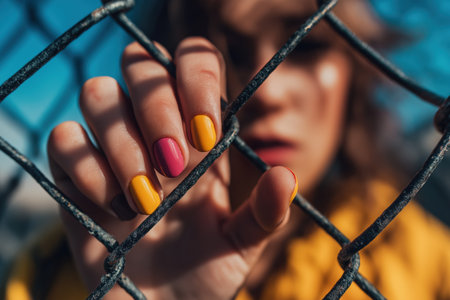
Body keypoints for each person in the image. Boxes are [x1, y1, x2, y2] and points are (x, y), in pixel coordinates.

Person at [4, 0, 450, 299]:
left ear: (355, 74)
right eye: (231, 51)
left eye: (307, 46)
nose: (266, 90)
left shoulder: (425, 264)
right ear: (168, 65)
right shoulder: (54, 273)